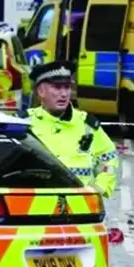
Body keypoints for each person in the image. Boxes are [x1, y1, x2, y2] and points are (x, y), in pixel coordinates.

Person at [26, 61, 117, 197]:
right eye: (57, 87)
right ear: (41, 91)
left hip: (80, 207)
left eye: (67, 87)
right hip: (35, 205)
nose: (64, 94)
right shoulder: (25, 123)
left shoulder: (87, 125)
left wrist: (99, 187)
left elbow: (109, 158)